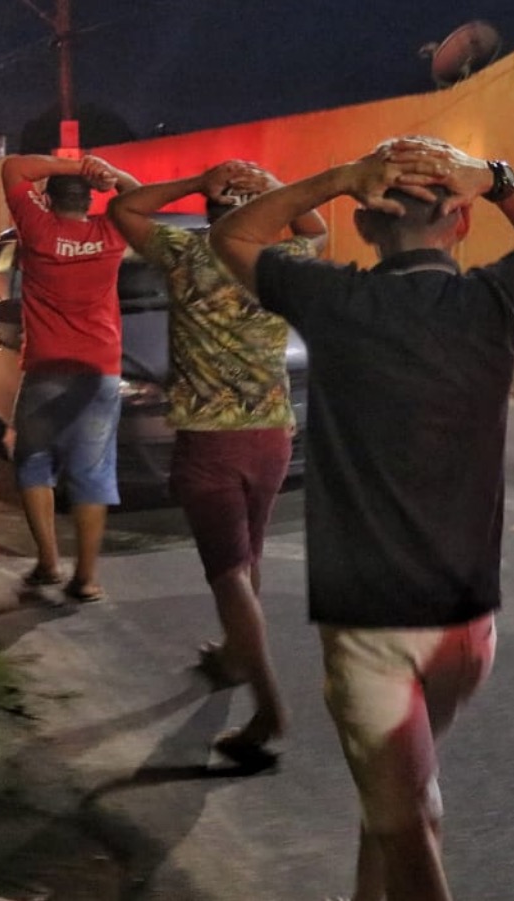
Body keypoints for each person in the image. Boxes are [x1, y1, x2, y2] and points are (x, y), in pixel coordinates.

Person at [210, 137, 514, 901]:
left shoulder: (334, 300)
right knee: (402, 800)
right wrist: (496, 178)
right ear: (463, 224)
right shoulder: (494, 302)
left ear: (367, 226)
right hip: (469, 627)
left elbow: (232, 234)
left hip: (373, 626)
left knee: (405, 818)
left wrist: (339, 175)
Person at [107, 160, 327, 768]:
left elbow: (123, 210)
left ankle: (268, 705)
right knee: (247, 559)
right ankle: (235, 655)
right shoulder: (280, 263)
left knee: (228, 571)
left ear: (208, 215)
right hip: (273, 436)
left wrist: (196, 181)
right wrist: (274, 187)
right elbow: (317, 229)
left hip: (211, 440)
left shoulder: (187, 255)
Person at [1, 153, 141, 604]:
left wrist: (77, 166)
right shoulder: (111, 233)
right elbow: (136, 195)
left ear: (48, 198)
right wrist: (108, 172)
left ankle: (48, 561)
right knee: (92, 472)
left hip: (45, 369)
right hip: (99, 370)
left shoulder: (38, 231)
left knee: (33, 464)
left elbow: (13, 167)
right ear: (91, 200)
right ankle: (87, 577)